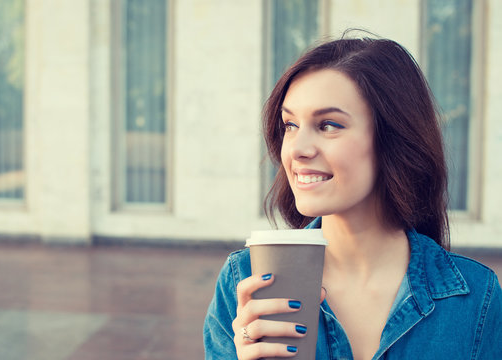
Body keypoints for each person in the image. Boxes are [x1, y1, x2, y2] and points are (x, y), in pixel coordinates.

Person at [203, 34, 502, 359]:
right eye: (290, 124)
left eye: (328, 125)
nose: (297, 150)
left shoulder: (475, 299)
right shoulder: (244, 283)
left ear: (393, 139)